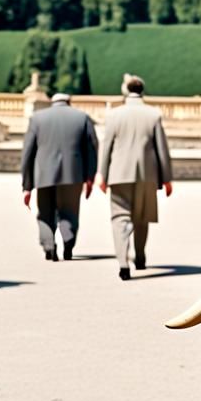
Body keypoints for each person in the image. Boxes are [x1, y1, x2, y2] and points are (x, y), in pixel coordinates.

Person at [96, 74, 173, 281]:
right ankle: (139, 257)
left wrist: (102, 174)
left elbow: (106, 147)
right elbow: (162, 149)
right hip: (147, 175)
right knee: (142, 218)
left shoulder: (114, 115)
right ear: (142, 90)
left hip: (119, 174)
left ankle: (123, 263)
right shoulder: (153, 114)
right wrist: (167, 178)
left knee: (119, 218)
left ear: (125, 91)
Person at [20, 92, 98, 261]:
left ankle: (49, 246)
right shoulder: (82, 117)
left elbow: (28, 153)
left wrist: (27, 185)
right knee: (69, 212)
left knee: (45, 212)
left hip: (44, 174)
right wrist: (90, 177)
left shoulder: (37, 118)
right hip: (73, 174)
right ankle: (68, 244)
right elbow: (91, 149)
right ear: (69, 102)